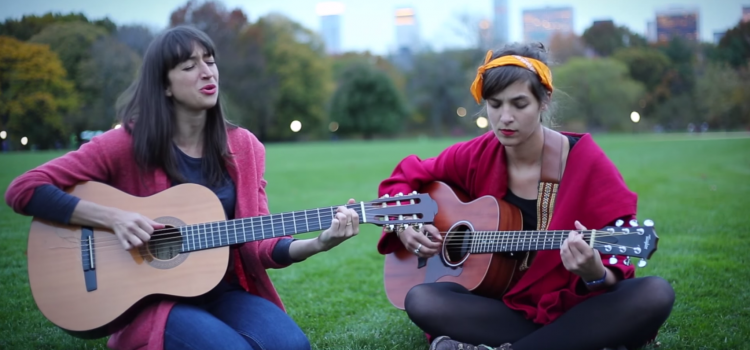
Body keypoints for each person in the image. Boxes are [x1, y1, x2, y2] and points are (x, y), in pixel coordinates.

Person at [5, 25, 360, 350]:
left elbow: (258, 243)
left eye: (210, 61)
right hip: (154, 301)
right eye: (189, 66)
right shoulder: (125, 143)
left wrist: (319, 243)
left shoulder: (245, 147)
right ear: (164, 84)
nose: (207, 72)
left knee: (293, 347)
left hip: (225, 291)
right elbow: (24, 188)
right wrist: (113, 218)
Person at [375, 43, 675, 350]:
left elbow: (614, 275)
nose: (505, 118)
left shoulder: (585, 161)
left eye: (519, 104)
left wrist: (593, 271)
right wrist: (405, 226)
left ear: (544, 100)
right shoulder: (477, 154)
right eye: (495, 104)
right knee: (422, 299)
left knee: (655, 293)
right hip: (502, 306)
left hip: (571, 307)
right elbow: (404, 176)